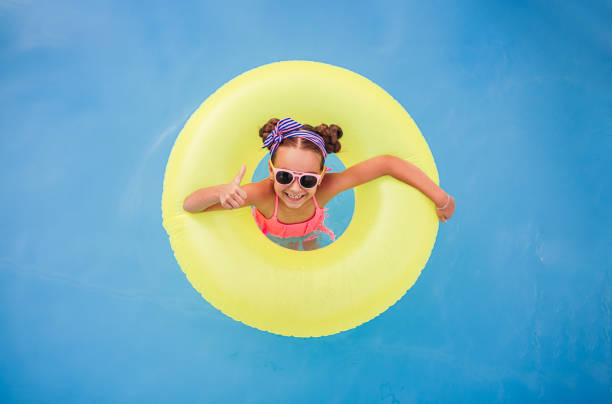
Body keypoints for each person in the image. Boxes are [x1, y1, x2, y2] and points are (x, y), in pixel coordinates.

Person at [183, 117, 455, 250]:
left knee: (313, 257)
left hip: (312, 230)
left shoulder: (328, 187)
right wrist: (222, 192)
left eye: (308, 180)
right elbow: (190, 206)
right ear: (271, 169)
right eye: (285, 176)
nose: (295, 188)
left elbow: (387, 164)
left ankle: (309, 244)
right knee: (286, 261)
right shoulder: (261, 194)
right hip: (271, 236)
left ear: (322, 176)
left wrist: (441, 198)